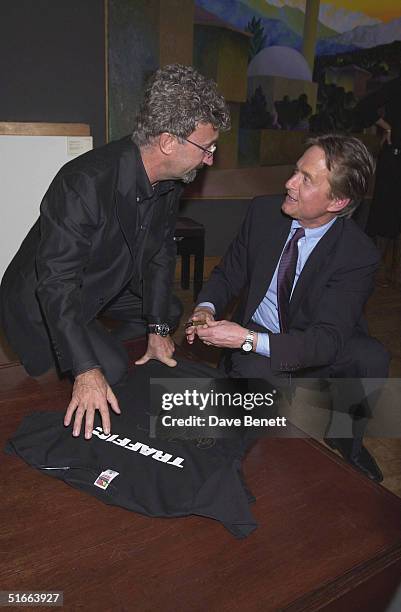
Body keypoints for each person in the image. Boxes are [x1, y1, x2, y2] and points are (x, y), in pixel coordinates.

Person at [0, 63, 230, 439]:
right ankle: (78, 352)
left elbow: (158, 256)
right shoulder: (83, 183)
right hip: (43, 298)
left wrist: (157, 330)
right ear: (169, 142)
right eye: (206, 148)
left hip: (104, 278)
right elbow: (56, 285)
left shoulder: (170, 181)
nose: (210, 159)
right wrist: (86, 369)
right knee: (111, 368)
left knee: (168, 312)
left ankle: (92, 342)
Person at [186, 134, 389, 482]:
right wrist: (205, 308)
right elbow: (228, 274)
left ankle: (346, 442)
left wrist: (245, 339)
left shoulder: (358, 254)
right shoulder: (264, 212)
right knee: (242, 441)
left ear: (338, 201)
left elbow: (325, 342)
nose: (289, 183)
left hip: (315, 339)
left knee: (371, 357)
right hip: (260, 337)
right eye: (296, 171)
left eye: (306, 179)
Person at [354, 74, 401, 283]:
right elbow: (366, 107)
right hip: (395, 157)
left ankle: (392, 270)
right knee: (385, 213)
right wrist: (388, 127)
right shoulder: (397, 84)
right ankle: (377, 269)